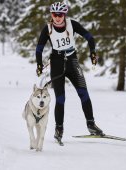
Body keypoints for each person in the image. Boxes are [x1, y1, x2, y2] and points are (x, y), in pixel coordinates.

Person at [35, 2, 104, 142]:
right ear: (51, 15)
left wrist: (93, 52)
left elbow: (89, 37)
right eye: (55, 14)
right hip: (56, 63)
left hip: (72, 61)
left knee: (83, 93)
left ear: (64, 14)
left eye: (60, 15)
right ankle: (59, 129)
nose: (57, 17)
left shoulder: (71, 24)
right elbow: (39, 48)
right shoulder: (47, 28)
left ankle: (91, 124)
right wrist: (39, 64)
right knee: (61, 99)